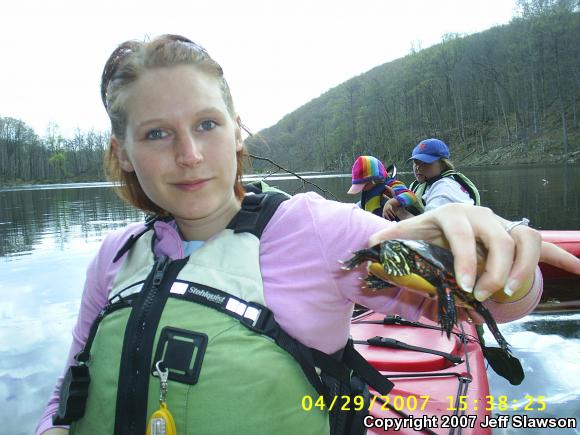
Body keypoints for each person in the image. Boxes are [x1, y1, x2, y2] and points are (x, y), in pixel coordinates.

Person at [36, 35, 580, 435]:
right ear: (123, 154)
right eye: (157, 134)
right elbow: (68, 394)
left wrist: (501, 262)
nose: (189, 154)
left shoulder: (319, 229)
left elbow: (501, 305)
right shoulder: (114, 255)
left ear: (236, 130)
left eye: (206, 124)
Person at [407, 138, 480, 215]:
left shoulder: (444, 190)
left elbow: (431, 226)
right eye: (416, 162)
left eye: (425, 163)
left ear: (443, 164)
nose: (418, 167)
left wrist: (399, 211)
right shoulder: (423, 183)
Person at [346, 155, 417, 220]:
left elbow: (411, 196)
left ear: (374, 180)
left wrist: (390, 203)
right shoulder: (369, 191)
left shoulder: (392, 185)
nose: (362, 189)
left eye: (363, 185)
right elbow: (360, 206)